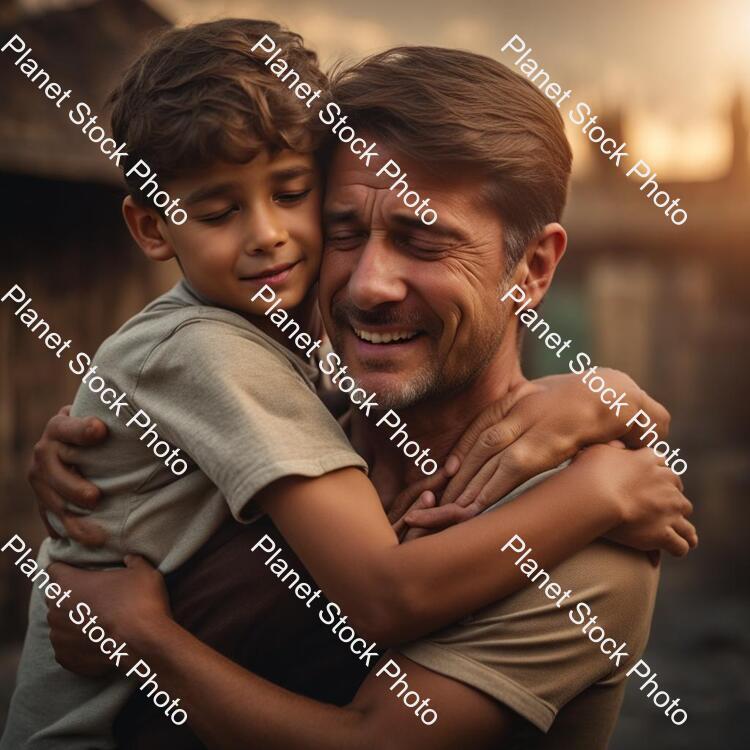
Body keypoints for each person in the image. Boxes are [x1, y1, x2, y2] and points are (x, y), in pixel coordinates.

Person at [31, 43, 696, 749]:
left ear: (531, 269)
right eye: (344, 231)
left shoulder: (588, 542)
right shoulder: (299, 437)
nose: (368, 284)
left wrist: (144, 638)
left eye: (424, 241)